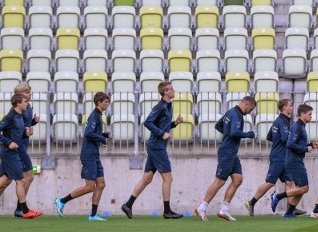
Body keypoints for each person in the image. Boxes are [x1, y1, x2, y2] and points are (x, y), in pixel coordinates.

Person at [122, 82, 184, 219]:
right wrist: (162, 133)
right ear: (166, 92)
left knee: (147, 179)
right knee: (168, 178)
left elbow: (163, 124)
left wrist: (175, 123)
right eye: (172, 89)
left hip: (156, 147)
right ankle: (167, 211)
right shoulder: (160, 106)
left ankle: (128, 205)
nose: (174, 91)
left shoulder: (168, 106)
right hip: (157, 147)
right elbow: (148, 122)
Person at [194, 96, 256, 221]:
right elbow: (234, 133)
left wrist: (227, 133)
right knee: (220, 181)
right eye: (251, 109)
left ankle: (224, 210)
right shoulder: (237, 115)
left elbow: (218, 126)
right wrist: (248, 134)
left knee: (237, 179)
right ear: (245, 105)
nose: (251, 112)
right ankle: (202, 207)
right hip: (227, 152)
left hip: (232, 153)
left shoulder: (230, 112)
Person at [55, 92, 112, 221]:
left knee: (101, 184)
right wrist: (102, 138)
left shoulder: (98, 116)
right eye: (105, 102)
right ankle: (62, 201)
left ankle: (93, 215)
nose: (107, 104)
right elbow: (88, 133)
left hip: (94, 154)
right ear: (98, 103)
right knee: (90, 186)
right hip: (88, 155)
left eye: (108, 102)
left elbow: (93, 133)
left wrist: (104, 135)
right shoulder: (94, 116)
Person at [245, 99, 296, 216]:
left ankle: (291, 209)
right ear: (284, 107)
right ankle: (251, 202)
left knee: (289, 182)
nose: (292, 107)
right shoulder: (282, 121)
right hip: (279, 157)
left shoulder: (279, 121)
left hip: (283, 156)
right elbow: (284, 139)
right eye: (290, 105)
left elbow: (269, 136)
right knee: (270, 182)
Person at [270, 104, 318, 218]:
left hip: (297, 160)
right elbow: (290, 144)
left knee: (301, 188)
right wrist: (305, 148)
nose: (311, 117)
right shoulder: (297, 127)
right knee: (304, 188)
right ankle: (277, 196)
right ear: (302, 114)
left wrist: (311, 145)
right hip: (294, 161)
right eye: (309, 114)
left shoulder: (301, 126)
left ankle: (289, 213)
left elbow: (298, 143)